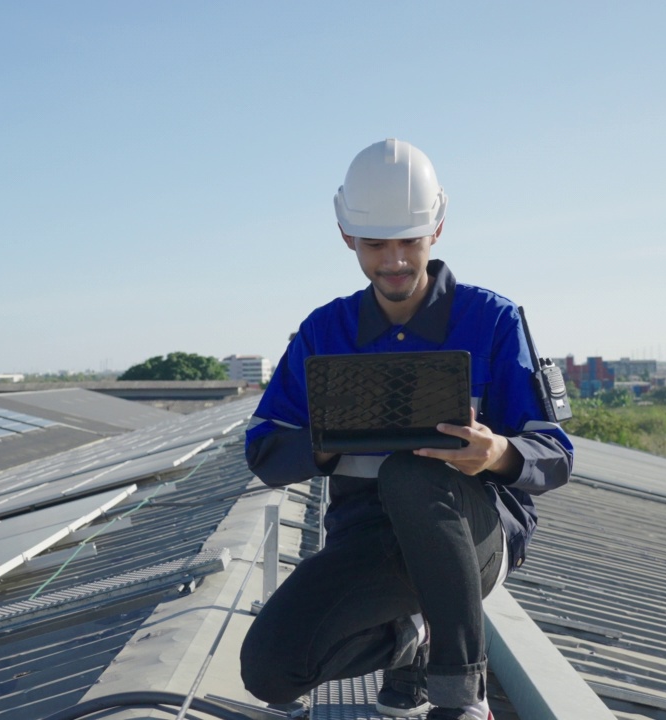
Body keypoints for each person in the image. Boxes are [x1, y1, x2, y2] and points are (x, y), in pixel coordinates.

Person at [239, 139, 573, 720]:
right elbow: (264, 451)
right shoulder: (324, 332)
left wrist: (497, 453)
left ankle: (460, 695)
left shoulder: (492, 320)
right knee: (270, 669)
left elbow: (555, 454)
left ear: (436, 230)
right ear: (347, 237)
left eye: (408, 241)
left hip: (473, 540)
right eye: (374, 244)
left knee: (413, 473)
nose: (393, 259)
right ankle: (408, 639)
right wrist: (323, 442)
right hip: (368, 541)